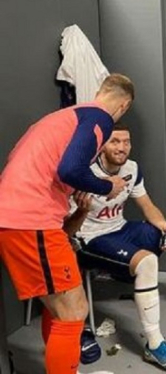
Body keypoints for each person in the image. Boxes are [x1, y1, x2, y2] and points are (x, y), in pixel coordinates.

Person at [0, 74, 133, 374]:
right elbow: (71, 168)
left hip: (20, 216)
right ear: (123, 105)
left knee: (61, 310)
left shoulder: (64, 117)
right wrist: (106, 185)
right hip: (28, 219)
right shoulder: (100, 119)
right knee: (74, 311)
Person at [65, 124, 166, 372]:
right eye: (114, 141)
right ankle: (154, 345)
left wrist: (163, 227)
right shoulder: (84, 175)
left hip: (122, 229)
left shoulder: (132, 168)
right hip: (91, 239)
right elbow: (68, 232)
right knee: (148, 261)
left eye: (126, 141)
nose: (121, 147)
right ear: (101, 146)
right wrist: (84, 209)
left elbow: (147, 205)